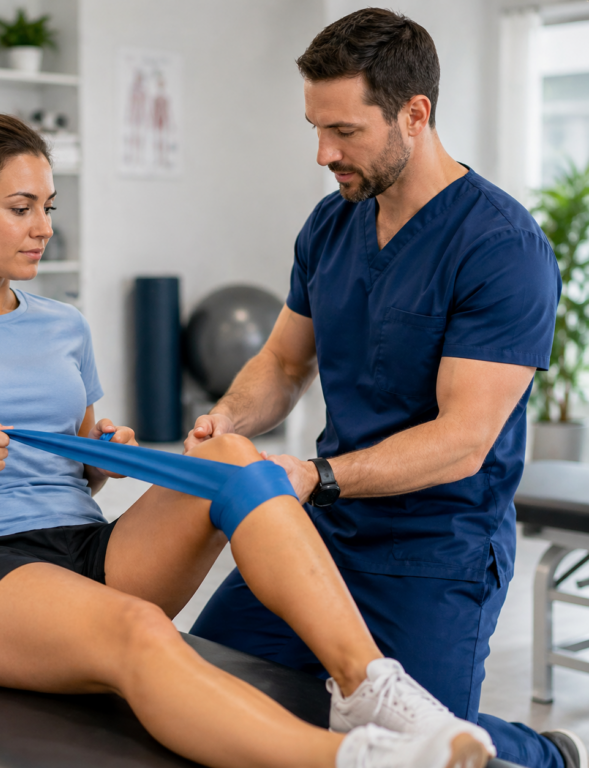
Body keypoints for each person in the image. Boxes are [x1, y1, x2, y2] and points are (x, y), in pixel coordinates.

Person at [0, 113, 494, 768]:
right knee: (142, 631)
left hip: (81, 545)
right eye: (21, 208)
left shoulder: (62, 326)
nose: (44, 229)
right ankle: (351, 761)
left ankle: (365, 684)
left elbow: (65, 470)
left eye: (49, 207)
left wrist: (99, 456)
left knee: (234, 458)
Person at [185, 10, 585, 768]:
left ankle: (543, 756)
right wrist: (226, 420)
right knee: (199, 691)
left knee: (413, 749)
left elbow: (464, 441)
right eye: (314, 128)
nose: (322, 153)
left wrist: (315, 475)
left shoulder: (502, 248)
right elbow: (283, 363)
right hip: (326, 536)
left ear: (415, 113)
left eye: (343, 131)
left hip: (437, 550)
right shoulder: (330, 226)